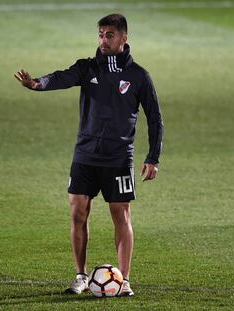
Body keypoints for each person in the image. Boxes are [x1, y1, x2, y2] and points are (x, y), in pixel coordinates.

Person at [14, 13, 163, 297]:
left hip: (118, 158)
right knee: (77, 213)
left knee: (121, 216)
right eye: (100, 35)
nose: (103, 40)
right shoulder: (87, 68)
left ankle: (125, 280)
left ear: (124, 38)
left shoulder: (138, 76)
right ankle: (81, 276)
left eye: (109, 35)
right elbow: (61, 77)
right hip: (84, 156)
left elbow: (155, 119)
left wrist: (153, 157)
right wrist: (37, 84)